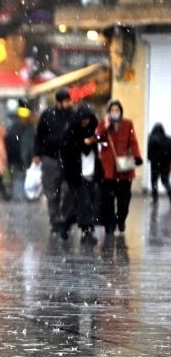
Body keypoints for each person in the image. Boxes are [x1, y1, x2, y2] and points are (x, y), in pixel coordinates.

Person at [93, 99, 143, 235]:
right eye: (112, 110)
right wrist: (106, 126)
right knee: (107, 200)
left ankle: (121, 219)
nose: (115, 113)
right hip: (108, 168)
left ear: (121, 111)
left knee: (124, 199)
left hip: (124, 169)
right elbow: (97, 138)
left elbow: (133, 141)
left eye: (117, 110)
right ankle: (109, 223)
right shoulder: (104, 124)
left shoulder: (127, 124)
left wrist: (137, 156)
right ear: (109, 112)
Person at [33, 88, 75, 234]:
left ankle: (63, 215)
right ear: (58, 102)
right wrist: (37, 154)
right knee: (52, 191)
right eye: (66, 101)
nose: (69, 104)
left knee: (69, 190)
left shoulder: (73, 116)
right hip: (51, 157)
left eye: (70, 101)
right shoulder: (48, 115)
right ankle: (55, 218)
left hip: (69, 158)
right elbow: (39, 135)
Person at [60, 104, 102, 244]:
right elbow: (67, 151)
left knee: (80, 204)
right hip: (76, 175)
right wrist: (84, 143)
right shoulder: (71, 132)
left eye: (87, 119)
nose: (85, 122)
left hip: (90, 172)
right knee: (85, 203)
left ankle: (66, 223)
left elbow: (97, 152)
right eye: (83, 119)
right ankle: (87, 232)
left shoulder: (93, 131)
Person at [147, 123, 171, 204]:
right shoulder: (168, 139)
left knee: (154, 181)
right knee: (165, 180)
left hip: (155, 163)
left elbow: (149, 152)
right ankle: (170, 192)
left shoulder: (152, 138)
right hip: (165, 163)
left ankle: (155, 198)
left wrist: (150, 158)